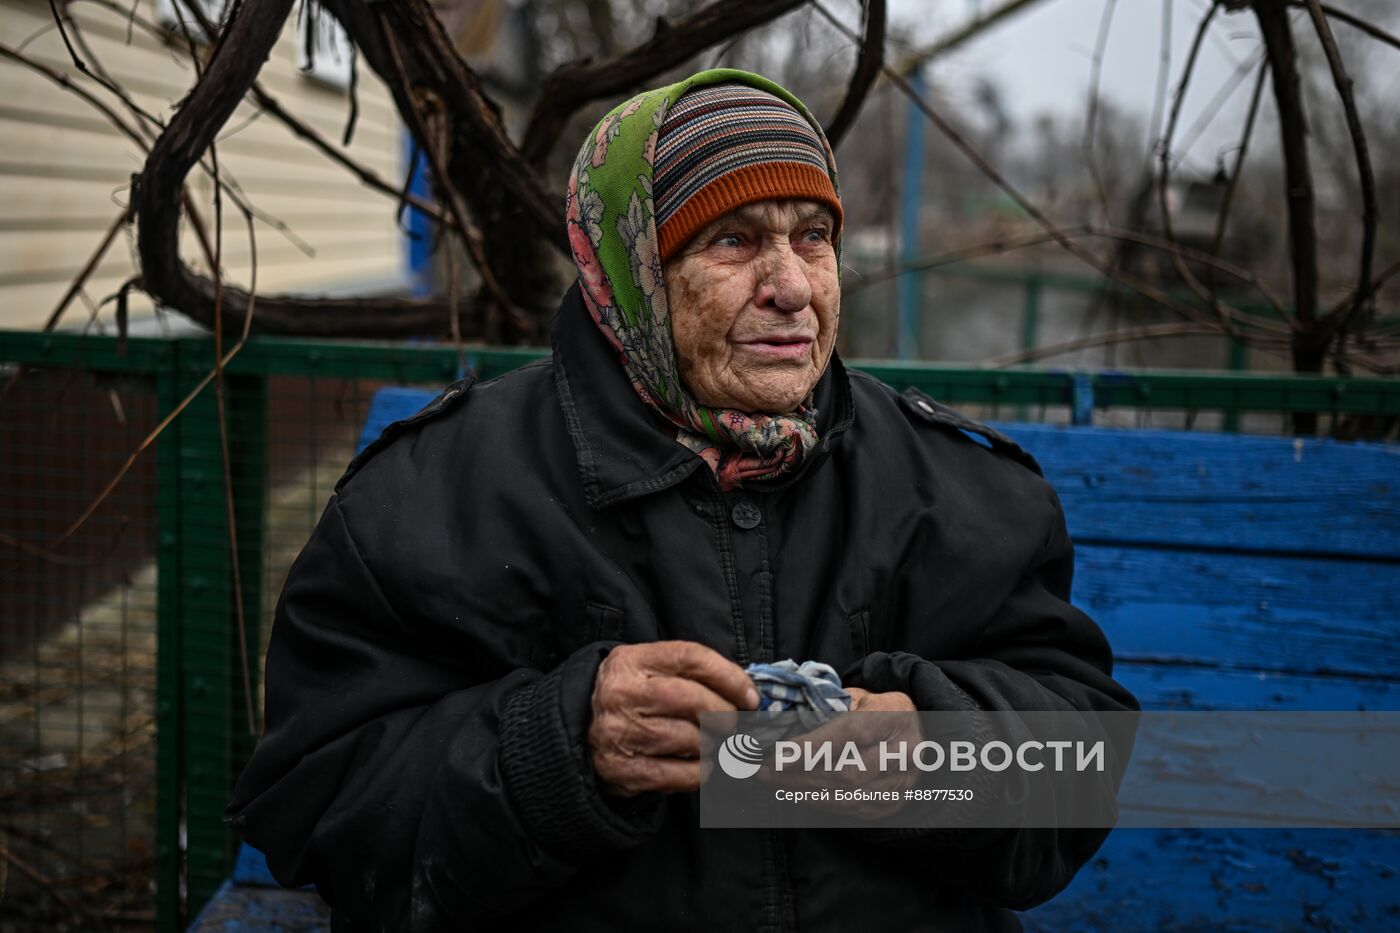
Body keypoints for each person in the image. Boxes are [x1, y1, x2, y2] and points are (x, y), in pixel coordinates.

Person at [227, 68, 1137, 932]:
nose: (791, 286)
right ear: (628, 274)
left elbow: (1081, 765)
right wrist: (560, 752)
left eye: (812, 235)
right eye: (732, 239)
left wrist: (929, 751)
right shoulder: (437, 494)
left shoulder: (953, 490)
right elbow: (317, 802)